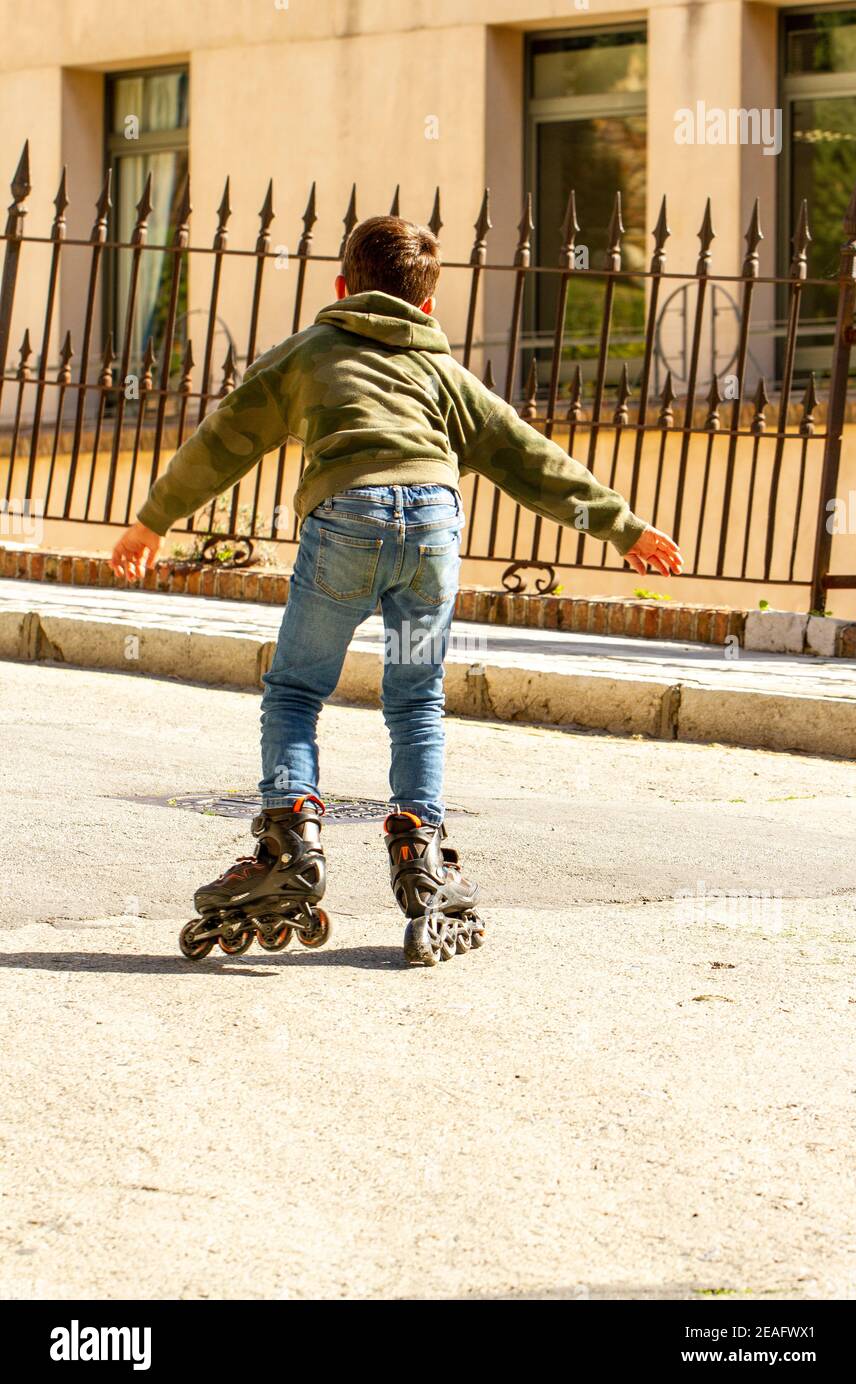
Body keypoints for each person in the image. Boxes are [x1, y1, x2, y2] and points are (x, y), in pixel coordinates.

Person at [111, 215, 682, 966]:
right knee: (416, 699)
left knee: (296, 690)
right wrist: (623, 528)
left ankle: (289, 836)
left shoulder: (309, 353)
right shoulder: (442, 371)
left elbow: (225, 439)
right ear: (429, 306)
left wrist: (152, 523)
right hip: (433, 532)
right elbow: (528, 457)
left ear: (344, 287)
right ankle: (418, 845)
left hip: (348, 523)